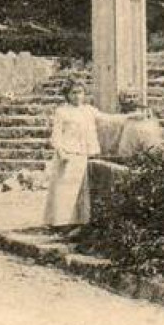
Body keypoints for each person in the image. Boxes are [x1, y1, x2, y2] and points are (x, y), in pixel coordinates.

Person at [44, 81, 100, 227]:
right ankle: (60, 222)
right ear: (67, 95)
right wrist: (61, 152)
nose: (77, 96)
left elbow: (108, 119)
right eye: (73, 93)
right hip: (67, 154)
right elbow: (56, 135)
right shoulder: (62, 112)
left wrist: (131, 116)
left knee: (80, 190)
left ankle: (78, 222)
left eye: (80, 92)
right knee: (64, 189)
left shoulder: (89, 110)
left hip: (82, 154)